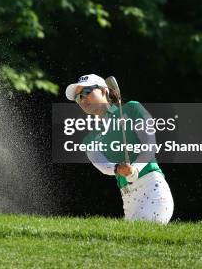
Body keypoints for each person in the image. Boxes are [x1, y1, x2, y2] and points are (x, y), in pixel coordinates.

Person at [65, 74, 174, 224]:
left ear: (104, 91)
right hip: (127, 199)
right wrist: (117, 168)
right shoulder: (89, 139)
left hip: (151, 187)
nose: (82, 99)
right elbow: (101, 164)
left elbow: (149, 144)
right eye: (78, 97)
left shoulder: (132, 108)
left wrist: (135, 169)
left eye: (86, 92)